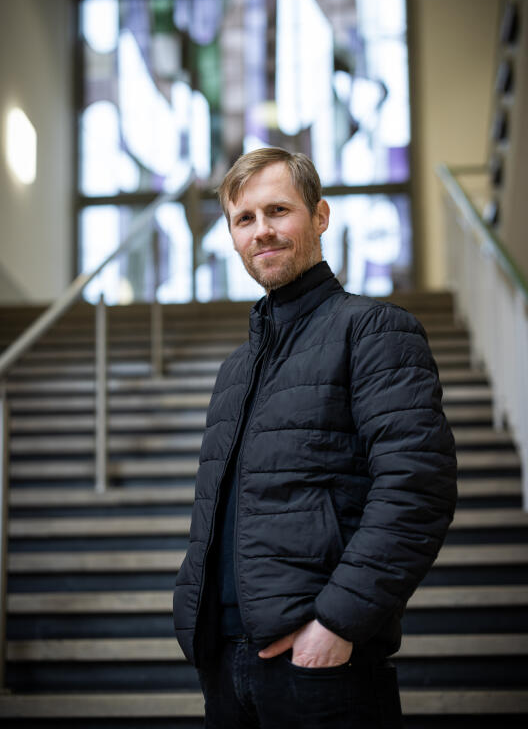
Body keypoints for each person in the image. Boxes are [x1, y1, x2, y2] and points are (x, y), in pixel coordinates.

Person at [173, 147, 457, 728]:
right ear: (230, 234)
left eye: (278, 210)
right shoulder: (235, 369)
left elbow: (416, 489)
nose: (262, 231)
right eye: (244, 218)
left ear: (320, 216)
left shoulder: (375, 330)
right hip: (225, 664)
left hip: (322, 666)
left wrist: (336, 625)